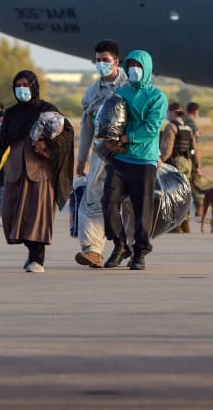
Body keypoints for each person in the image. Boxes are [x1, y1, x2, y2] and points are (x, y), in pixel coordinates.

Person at [0, 70, 74, 273]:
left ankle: (37, 259)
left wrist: (47, 144)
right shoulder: (11, 114)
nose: (22, 89)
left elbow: (66, 133)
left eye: (26, 84)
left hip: (40, 172)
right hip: (15, 172)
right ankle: (32, 251)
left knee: (37, 218)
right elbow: (1, 143)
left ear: (34, 86)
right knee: (9, 216)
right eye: (18, 85)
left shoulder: (47, 109)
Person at [102, 50, 168, 271]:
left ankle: (140, 251)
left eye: (137, 65)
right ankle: (120, 244)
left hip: (144, 160)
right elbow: (104, 115)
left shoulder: (157, 97)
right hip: (120, 158)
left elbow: (152, 128)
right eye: (130, 65)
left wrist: (127, 138)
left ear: (146, 68)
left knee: (142, 209)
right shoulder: (120, 92)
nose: (133, 69)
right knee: (108, 201)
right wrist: (108, 136)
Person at [75, 39, 130, 268]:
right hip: (100, 152)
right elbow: (87, 127)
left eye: (105, 61)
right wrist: (81, 159)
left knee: (130, 202)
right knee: (92, 198)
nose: (101, 65)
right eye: (97, 61)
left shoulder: (131, 87)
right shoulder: (92, 92)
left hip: (129, 152)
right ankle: (93, 250)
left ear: (116, 61)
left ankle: (133, 247)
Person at [159, 102, 195, 233]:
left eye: (168, 112)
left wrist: (160, 161)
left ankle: (176, 225)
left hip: (176, 162)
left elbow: (167, 147)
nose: (167, 115)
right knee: (186, 193)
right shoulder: (188, 128)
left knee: (174, 194)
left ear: (173, 113)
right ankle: (186, 223)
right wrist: (198, 166)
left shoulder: (171, 127)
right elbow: (194, 148)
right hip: (188, 163)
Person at [184, 102, 204, 217]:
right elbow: (196, 135)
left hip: (184, 156)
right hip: (192, 155)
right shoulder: (190, 122)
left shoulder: (182, 120)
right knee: (196, 183)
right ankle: (200, 209)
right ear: (196, 111)